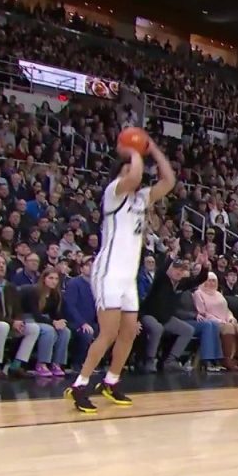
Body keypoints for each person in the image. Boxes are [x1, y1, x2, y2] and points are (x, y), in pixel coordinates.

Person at [67, 137, 176, 413]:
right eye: (127, 169)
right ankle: (79, 385)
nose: (134, 174)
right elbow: (136, 174)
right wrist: (134, 151)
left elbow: (169, 181)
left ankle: (111, 381)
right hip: (109, 273)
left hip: (128, 276)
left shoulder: (141, 198)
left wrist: (154, 150)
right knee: (108, 333)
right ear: (120, 173)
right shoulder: (113, 192)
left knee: (128, 332)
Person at [0, 254, 41, 378]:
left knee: (34, 329)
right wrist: (11, 322)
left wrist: (18, 321)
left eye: (3, 264)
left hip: (8, 323)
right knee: (2, 326)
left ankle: (16, 365)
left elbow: (18, 309)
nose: (1, 266)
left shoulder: (10, 286)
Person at [193, 272, 238, 371]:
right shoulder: (199, 293)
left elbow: (226, 310)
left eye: (214, 281)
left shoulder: (219, 294)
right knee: (228, 327)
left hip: (225, 320)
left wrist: (231, 318)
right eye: (209, 280)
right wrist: (220, 321)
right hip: (211, 322)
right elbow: (203, 313)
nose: (211, 283)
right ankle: (227, 359)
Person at [23, 268, 71, 377]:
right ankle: (42, 363)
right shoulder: (34, 292)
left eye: (56, 279)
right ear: (44, 279)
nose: (54, 281)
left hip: (45, 319)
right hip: (30, 318)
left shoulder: (56, 295)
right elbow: (36, 315)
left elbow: (55, 314)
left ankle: (57, 363)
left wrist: (60, 322)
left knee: (65, 331)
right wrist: (53, 322)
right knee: (49, 330)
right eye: (51, 278)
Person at [63, 256, 98, 371]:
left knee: (107, 333)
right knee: (86, 333)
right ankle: (77, 363)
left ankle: (95, 363)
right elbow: (70, 306)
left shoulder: (96, 285)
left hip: (92, 321)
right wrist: (82, 323)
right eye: (88, 266)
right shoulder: (74, 283)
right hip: (75, 321)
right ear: (81, 269)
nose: (91, 268)